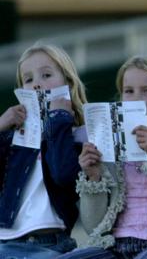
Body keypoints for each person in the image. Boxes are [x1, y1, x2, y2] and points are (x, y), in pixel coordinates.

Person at [60, 54, 147, 259]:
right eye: (129, 91)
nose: (136, 98)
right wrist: (94, 177)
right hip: (112, 247)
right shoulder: (110, 155)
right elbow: (93, 226)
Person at [0, 43, 88, 258]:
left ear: (68, 82)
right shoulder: (13, 138)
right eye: (28, 80)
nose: (37, 84)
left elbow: (64, 175)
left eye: (46, 75)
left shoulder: (78, 135)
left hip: (50, 245)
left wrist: (59, 121)